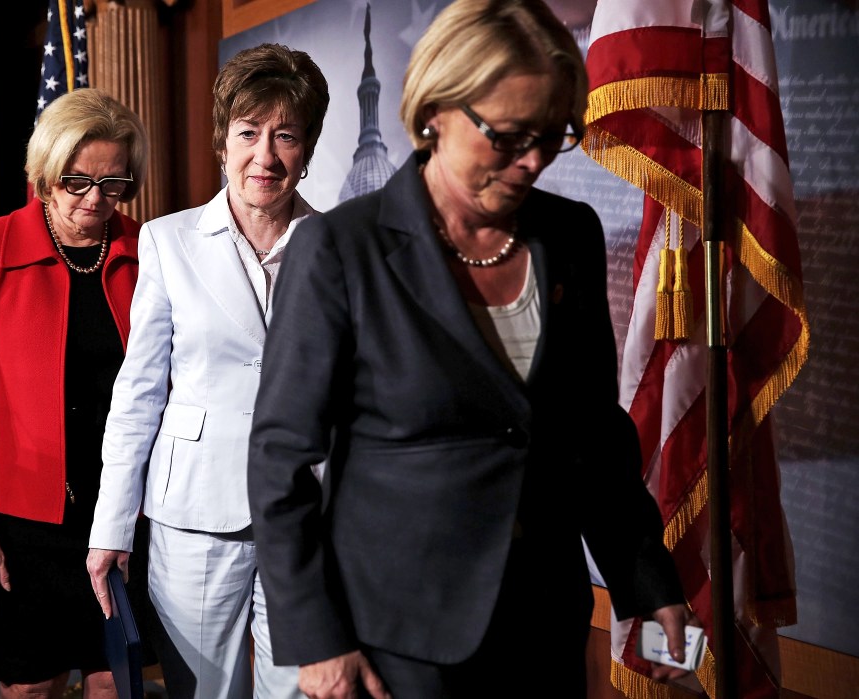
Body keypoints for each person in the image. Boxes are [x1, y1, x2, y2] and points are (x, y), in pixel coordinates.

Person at [246, 2, 699, 697]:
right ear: (435, 110)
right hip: (397, 644)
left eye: (555, 137)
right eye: (511, 135)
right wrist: (317, 638)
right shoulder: (340, 249)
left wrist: (645, 580)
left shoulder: (569, 235)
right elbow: (279, 461)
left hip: (545, 628)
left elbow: (594, 436)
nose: (533, 162)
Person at [86, 43, 330, 699]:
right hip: (193, 512)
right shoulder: (167, 240)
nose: (266, 155)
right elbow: (137, 395)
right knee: (204, 693)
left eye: (287, 135)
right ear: (223, 143)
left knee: (304, 690)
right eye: (249, 133)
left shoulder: (338, 245)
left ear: (308, 150)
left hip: (307, 509)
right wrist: (111, 526)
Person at [0, 87, 148, 697]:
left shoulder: (148, 253)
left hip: (126, 520)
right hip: (23, 533)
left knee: (115, 686)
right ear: (45, 175)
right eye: (77, 181)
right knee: (30, 690)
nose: (95, 200)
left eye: (113, 182)